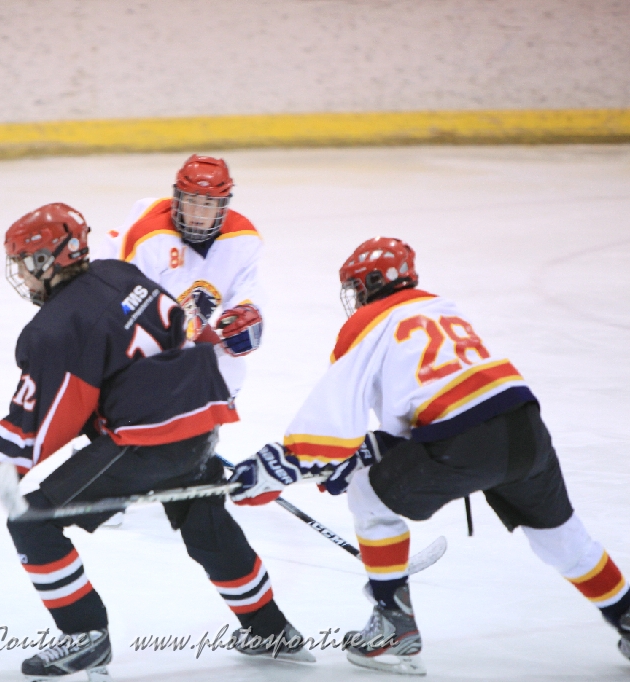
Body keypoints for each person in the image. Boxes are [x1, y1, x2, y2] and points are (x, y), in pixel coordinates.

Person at [0, 203, 315, 681]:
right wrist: (183, 417)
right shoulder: (119, 273)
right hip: (199, 420)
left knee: (33, 522)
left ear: (47, 261)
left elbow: (37, 424)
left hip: (146, 440)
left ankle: (85, 636)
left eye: (25, 264)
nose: (22, 276)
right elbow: (184, 331)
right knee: (203, 516)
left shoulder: (56, 329)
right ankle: (270, 629)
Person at [229, 237, 630, 675]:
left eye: (357, 287)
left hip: (463, 441)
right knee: (561, 536)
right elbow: (430, 405)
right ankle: (625, 614)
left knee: (368, 493)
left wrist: (280, 465)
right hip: (524, 426)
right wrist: (357, 454)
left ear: (372, 283)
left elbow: (334, 416)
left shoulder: (368, 322)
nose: (355, 298)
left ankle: (394, 628)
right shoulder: (443, 308)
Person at [97, 154, 263, 397]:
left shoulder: (242, 239)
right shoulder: (150, 239)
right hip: (116, 327)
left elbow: (246, 293)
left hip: (180, 327)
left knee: (229, 367)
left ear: (223, 206)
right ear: (178, 199)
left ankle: (204, 421)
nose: (197, 213)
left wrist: (246, 317)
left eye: (208, 204)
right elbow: (125, 314)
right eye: (191, 201)